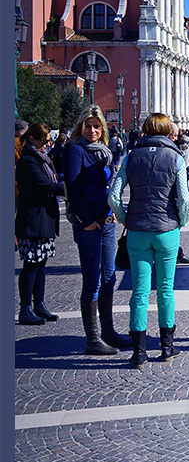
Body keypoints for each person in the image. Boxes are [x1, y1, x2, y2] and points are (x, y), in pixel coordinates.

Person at [109, 112, 189, 366]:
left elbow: (113, 196)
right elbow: (185, 199)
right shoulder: (175, 158)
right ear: (169, 132)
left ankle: (139, 352)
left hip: (137, 231)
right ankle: (167, 348)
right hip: (167, 231)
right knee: (166, 289)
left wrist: (124, 218)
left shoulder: (131, 157)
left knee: (139, 292)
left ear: (145, 130)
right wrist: (181, 221)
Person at [65, 106, 128, 354]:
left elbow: (107, 186)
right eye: (88, 126)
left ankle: (108, 331)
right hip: (89, 224)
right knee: (92, 280)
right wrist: (86, 220)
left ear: (102, 129)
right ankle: (93, 338)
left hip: (106, 222)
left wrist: (112, 210)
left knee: (109, 278)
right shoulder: (76, 151)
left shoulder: (104, 153)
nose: (92, 130)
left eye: (97, 126)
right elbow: (72, 189)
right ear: (81, 127)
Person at [15, 122, 64, 325]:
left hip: (43, 219)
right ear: (32, 139)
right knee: (31, 265)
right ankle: (26, 308)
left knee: (41, 264)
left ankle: (39, 304)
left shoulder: (40, 158)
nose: (47, 145)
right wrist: (69, 187)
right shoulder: (29, 161)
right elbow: (45, 186)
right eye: (44, 141)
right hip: (33, 220)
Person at [170, 124, 189, 264]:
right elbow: (184, 198)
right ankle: (177, 253)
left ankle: (177, 252)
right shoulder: (177, 155)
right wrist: (184, 219)